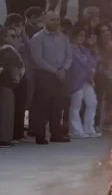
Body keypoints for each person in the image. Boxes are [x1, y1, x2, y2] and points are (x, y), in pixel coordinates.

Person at [28, 11, 73, 143]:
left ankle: (56, 134)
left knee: (58, 105)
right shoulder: (38, 38)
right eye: (52, 20)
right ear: (45, 21)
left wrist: (64, 68)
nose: (56, 22)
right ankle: (40, 135)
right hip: (44, 76)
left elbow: (69, 55)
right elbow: (37, 59)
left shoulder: (63, 38)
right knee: (42, 106)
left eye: (57, 20)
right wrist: (54, 70)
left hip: (61, 75)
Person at [66, 26, 99, 139]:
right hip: (75, 79)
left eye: (84, 35)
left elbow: (92, 63)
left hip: (87, 79)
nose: (82, 38)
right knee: (76, 105)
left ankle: (89, 128)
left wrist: (91, 73)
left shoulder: (84, 49)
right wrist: (90, 69)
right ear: (74, 36)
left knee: (92, 102)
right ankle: (76, 130)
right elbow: (81, 63)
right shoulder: (70, 48)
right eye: (80, 35)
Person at [0, 26, 25, 148]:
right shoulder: (7, 49)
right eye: (12, 36)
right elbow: (9, 64)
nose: (16, 38)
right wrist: (15, 70)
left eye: (17, 36)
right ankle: (4, 139)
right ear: (4, 37)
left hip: (9, 86)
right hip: (5, 86)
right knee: (6, 113)